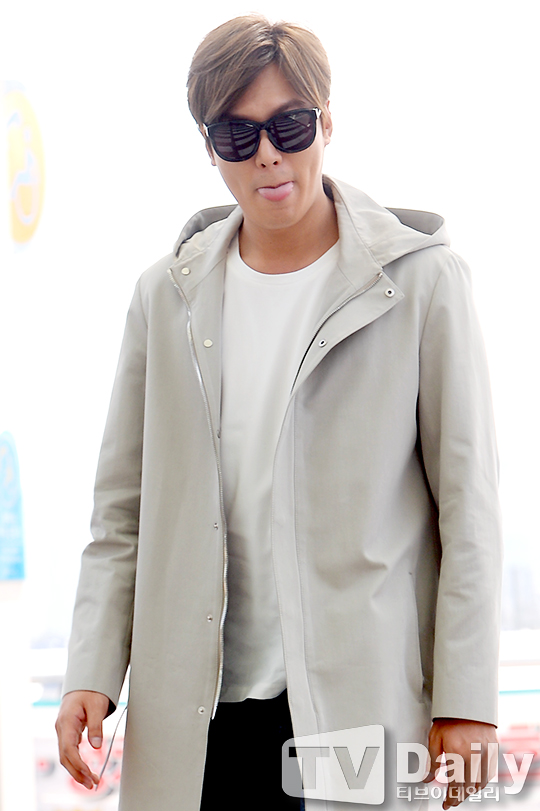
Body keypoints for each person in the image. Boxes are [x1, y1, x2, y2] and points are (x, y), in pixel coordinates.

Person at [55, 14, 502, 811]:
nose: (267, 154)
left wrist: (466, 703)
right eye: (238, 134)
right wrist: (91, 670)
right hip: (197, 717)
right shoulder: (165, 295)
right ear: (209, 146)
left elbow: (470, 511)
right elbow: (120, 512)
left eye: (289, 125)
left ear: (327, 123)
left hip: (356, 711)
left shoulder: (422, 284)